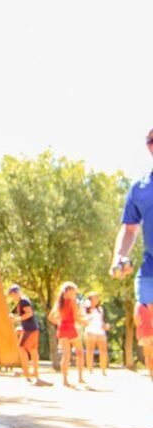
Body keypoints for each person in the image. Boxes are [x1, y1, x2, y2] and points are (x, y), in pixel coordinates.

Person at [110, 128, 153, 297]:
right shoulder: (139, 189)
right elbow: (129, 229)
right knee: (143, 318)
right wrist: (119, 256)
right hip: (150, 272)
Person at [48, 282, 86, 387]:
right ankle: (80, 377)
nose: (75, 294)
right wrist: (85, 321)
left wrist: (59, 322)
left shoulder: (59, 303)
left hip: (62, 329)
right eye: (74, 292)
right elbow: (77, 318)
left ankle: (65, 380)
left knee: (66, 355)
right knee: (79, 352)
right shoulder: (72, 302)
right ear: (69, 291)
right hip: (71, 328)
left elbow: (50, 317)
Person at [8, 284, 43, 384]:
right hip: (32, 329)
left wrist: (17, 319)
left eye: (13, 295)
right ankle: (34, 372)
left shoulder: (23, 301)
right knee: (32, 350)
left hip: (29, 329)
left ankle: (27, 372)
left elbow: (29, 313)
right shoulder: (20, 302)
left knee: (21, 348)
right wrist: (11, 315)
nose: (12, 297)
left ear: (16, 293)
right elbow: (13, 312)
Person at [82, 292, 109, 375]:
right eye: (93, 298)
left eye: (97, 298)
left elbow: (101, 321)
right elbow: (83, 321)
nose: (96, 300)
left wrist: (105, 326)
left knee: (103, 351)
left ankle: (103, 370)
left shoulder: (100, 309)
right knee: (90, 351)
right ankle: (90, 370)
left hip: (100, 332)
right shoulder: (85, 309)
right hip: (90, 331)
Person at [134, 302, 153, 380]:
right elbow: (136, 320)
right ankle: (151, 373)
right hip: (145, 332)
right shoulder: (139, 304)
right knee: (148, 355)